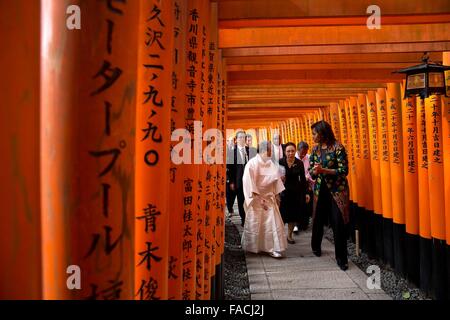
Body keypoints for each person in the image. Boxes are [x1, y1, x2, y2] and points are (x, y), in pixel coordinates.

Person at [309, 120, 350, 271]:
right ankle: (315, 247)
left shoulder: (338, 147)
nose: (312, 136)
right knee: (317, 219)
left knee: (338, 223)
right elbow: (311, 171)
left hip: (337, 191)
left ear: (322, 133)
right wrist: (314, 171)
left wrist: (323, 170)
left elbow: (344, 171)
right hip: (320, 191)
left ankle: (342, 259)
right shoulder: (315, 150)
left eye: (314, 133)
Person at [241, 140, 287, 258]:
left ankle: (272, 248)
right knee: (256, 224)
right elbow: (248, 183)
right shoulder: (252, 164)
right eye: (270, 150)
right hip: (257, 198)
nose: (271, 152)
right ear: (264, 150)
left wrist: (277, 196)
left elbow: (276, 182)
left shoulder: (271, 164)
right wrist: (257, 197)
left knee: (272, 224)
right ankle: (254, 247)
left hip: (269, 198)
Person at [279, 142, 310, 244]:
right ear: (285, 152)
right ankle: (280, 236)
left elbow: (303, 180)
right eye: (288, 151)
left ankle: (289, 235)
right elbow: (274, 178)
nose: (290, 153)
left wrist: (306, 193)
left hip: (295, 192)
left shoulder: (299, 163)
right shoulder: (280, 162)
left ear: (295, 151)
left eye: (292, 151)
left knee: (293, 215)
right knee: (282, 215)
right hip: (282, 192)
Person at [227, 130, 250, 226]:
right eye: (239, 137)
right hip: (238, 181)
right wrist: (232, 181)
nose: (242, 139)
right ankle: (244, 219)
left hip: (250, 181)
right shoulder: (232, 152)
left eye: (244, 137)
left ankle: (250, 218)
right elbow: (230, 168)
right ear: (236, 140)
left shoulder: (250, 150)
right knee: (241, 201)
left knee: (250, 201)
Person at [295, 141, 315, 232]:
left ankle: (305, 223)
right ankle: (297, 224)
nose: (304, 155)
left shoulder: (309, 157)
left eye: (305, 153)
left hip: (307, 183)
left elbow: (312, 170)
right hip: (296, 185)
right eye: (302, 153)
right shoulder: (293, 157)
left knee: (307, 204)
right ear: (298, 150)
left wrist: (307, 177)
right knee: (298, 204)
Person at [226, 136, 236, 216]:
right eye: (230, 141)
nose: (231, 142)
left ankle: (231, 207)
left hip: (235, 175)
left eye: (233, 141)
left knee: (233, 194)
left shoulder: (235, 151)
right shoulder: (226, 151)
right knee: (229, 194)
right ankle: (230, 209)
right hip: (227, 175)